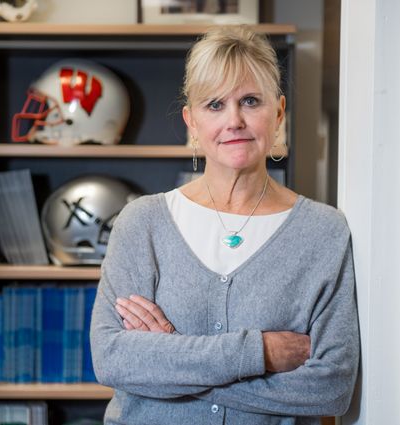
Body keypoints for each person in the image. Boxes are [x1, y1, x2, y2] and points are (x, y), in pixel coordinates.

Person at [90, 25, 359, 425]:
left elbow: (330, 389)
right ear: (191, 121)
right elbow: (113, 360)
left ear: (279, 113)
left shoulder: (324, 232)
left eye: (250, 101)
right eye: (214, 105)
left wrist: (171, 364)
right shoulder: (142, 223)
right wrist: (260, 354)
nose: (233, 120)